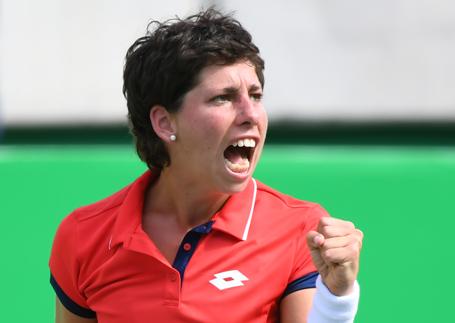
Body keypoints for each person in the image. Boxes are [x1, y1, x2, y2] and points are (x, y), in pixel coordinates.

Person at [49, 8, 363, 323]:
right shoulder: (83, 235)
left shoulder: (301, 230)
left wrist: (336, 299)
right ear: (163, 122)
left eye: (255, 96)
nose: (250, 114)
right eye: (223, 98)